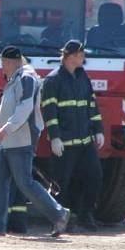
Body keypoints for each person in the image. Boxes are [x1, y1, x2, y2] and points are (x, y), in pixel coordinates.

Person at [0, 45, 70, 237]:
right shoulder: (16, 78)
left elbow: (25, 107)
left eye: (3, 62)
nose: (1, 66)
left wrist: (7, 128)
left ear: (11, 62)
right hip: (7, 142)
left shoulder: (26, 78)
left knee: (25, 183)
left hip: (20, 141)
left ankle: (59, 214)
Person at [42, 40, 104, 231]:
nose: (84, 58)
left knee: (95, 176)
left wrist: (98, 129)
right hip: (65, 143)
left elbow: (91, 105)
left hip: (85, 142)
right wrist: (55, 137)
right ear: (71, 56)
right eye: (81, 54)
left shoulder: (82, 76)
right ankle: (61, 219)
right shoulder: (53, 80)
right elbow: (49, 111)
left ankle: (85, 214)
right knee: (62, 183)